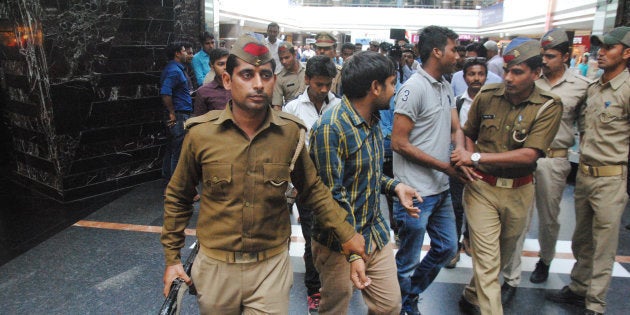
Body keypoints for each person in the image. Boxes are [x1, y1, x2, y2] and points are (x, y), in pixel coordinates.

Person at [160, 34, 368, 315]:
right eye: (247, 74)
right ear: (227, 81)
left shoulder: (289, 133)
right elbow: (178, 196)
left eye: (265, 75)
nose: (258, 84)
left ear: (274, 81)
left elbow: (313, 189)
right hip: (216, 268)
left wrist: (347, 234)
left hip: (270, 268)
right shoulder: (202, 135)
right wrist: (172, 258)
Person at [452, 38, 562, 315]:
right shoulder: (488, 96)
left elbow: (529, 155)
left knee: (499, 258)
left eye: (518, 72)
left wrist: (475, 157)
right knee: (488, 261)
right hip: (482, 189)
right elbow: (468, 132)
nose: (509, 77)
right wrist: (465, 156)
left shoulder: (549, 105)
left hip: (520, 191)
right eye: (507, 69)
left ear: (536, 74)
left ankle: (471, 293)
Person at [309, 50, 421, 315]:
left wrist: (395, 186)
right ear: (375, 87)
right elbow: (331, 195)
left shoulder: (372, 120)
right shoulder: (331, 128)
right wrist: (354, 252)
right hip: (339, 242)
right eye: (392, 83)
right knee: (335, 310)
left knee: (389, 306)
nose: (395, 91)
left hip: (374, 232)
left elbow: (366, 172)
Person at [546, 26, 630, 315]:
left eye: (609, 48)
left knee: (604, 246)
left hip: (611, 177)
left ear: (627, 53)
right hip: (585, 174)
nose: (601, 53)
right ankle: (579, 288)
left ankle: (595, 304)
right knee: (582, 239)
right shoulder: (593, 87)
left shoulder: (628, 89)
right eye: (600, 48)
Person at [391, 25, 472, 315]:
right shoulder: (414, 87)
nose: (457, 55)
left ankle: (409, 294)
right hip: (414, 191)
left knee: (448, 248)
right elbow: (398, 143)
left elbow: (455, 126)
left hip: (439, 189)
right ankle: (401, 306)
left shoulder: (445, 85)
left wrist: (460, 151)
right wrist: (445, 167)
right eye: (453, 49)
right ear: (437, 51)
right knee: (408, 259)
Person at [525, 29, 590, 284]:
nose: (544, 60)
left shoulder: (581, 87)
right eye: (542, 55)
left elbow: (586, 128)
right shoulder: (531, 83)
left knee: (549, 216)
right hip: (526, 157)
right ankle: (511, 267)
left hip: (555, 159)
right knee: (520, 213)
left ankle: (546, 259)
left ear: (564, 56)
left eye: (551, 56)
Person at [282, 55, 340, 314]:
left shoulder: (339, 107)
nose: (324, 90)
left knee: (334, 235)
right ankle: (314, 288)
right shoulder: (293, 109)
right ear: (307, 80)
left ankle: (334, 284)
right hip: (305, 186)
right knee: (310, 238)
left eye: (328, 84)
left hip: (334, 184)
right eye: (319, 84)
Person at [446, 56, 489, 269]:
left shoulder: (492, 101)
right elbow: (455, 132)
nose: (476, 78)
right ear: (464, 77)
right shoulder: (457, 102)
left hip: (484, 162)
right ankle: (453, 246)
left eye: (480, 74)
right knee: (456, 204)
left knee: (479, 203)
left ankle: (469, 239)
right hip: (459, 161)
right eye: (472, 74)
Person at [160, 42, 193, 183]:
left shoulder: (175, 68)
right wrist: (172, 112)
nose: (187, 54)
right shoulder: (174, 70)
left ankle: (168, 178)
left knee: (172, 147)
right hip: (179, 114)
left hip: (179, 112)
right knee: (178, 151)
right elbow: (165, 92)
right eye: (185, 51)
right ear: (177, 53)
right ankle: (176, 186)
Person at [193, 48, 231, 116]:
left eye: (228, 63)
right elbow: (199, 121)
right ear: (212, 66)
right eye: (221, 64)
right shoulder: (203, 92)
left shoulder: (239, 87)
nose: (225, 67)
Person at [271, 42, 306, 110]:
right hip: (292, 115)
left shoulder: (307, 69)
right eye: (281, 59)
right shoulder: (279, 78)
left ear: (294, 55)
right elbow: (277, 106)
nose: (284, 61)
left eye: (287, 57)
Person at [314, 32, 342, 96]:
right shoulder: (307, 71)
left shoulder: (340, 74)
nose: (322, 51)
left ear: (334, 52)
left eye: (326, 48)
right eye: (319, 48)